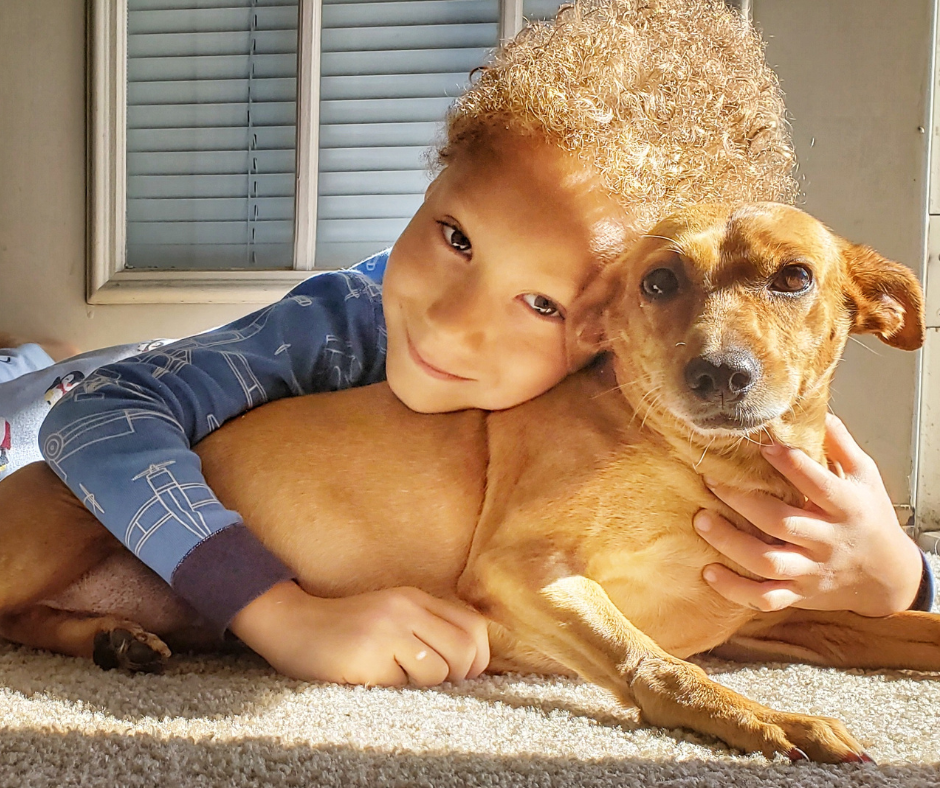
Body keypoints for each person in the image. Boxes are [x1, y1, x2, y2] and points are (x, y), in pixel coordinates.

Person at [27, 0, 930, 687]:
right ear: (429, 186)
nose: (458, 319)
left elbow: (676, 587)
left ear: (615, 324)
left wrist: (899, 575)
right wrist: (281, 615)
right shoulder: (339, 322)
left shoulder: (625, 387)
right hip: (95, 418)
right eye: (455, 238)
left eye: (542, 303)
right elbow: (98, 418)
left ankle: (53, 629)